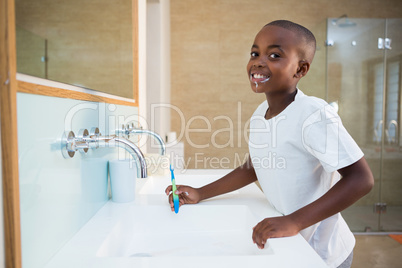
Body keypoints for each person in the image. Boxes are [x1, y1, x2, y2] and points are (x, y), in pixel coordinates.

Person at [165, 20, 374, 268]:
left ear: (301, 69)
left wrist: (295, 221)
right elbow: (255, 166)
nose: (258, 61)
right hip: (291, 242)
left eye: (274, 55)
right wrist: (201, 192)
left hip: (322, 252)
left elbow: (361, 179)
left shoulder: (312, 113)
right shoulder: (261, 113)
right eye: (255, 53)